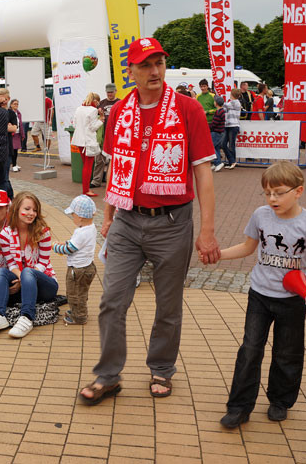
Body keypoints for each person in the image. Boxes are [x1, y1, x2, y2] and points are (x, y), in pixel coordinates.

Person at [78, 38, 219, 404]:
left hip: (173, 222)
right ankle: (108, 375)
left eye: (159, 63)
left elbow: (203, 173)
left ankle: (161, 367)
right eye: (146, 65)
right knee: (112, 300)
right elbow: (116, 169)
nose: (155, 71)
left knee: (168, 305)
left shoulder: (188, 110)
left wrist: (207, 231)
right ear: (131, 72)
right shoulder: (119, 112)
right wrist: (109, 215)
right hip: (126, 220)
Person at [213, 162, 306, 428]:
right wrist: (218, 254)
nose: (272, 199)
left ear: (298, 191)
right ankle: (239, 407)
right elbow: (247, 247)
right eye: (267, 193)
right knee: (250, 349)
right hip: (260, 296)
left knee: (287, 353)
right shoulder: (260, 215)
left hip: (292, 301)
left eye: (278, 192)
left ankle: (280, 400)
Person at [0, 191, 58, 339]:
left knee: (28, 272)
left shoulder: (43, 232)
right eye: (27, 209)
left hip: (46, 284)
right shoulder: (6, 234)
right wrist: (22, 279)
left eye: (34, 210)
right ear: (17, 209)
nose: (31, 213)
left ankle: (27, 317)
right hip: (24, 280)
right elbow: (12, 264)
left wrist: (24, 279)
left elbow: (43, 262)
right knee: (2, 272)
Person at [52, 195, 97, 325]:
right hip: (88, 266)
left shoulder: (81, 232)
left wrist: (56, 247)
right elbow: (76, 244)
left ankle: (79, 316)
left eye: (73, 215)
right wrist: (65, 242)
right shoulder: (91, 228)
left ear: (80, 216)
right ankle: (78, 310)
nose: (72, 217)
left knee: (74, 293)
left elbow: (70, 249)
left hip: (78, 269)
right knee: (81, 291)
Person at [71, 92, 104, 196]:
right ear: (95, 101)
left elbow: (74, 124)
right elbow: (93, 127)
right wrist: (101, 119)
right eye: (98, 102)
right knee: (88, 166)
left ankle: (86, 189)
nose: (98, 104)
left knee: (85, 165)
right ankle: (86, 190)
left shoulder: (79, 108)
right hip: (88, 141)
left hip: (78, 140)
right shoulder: (93, 110)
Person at [91, 83, 120, 188]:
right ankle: (96, 181)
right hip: (102, 135)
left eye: (111, 92)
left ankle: (111, 181)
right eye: (108, 92)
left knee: (114, 160)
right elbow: (94, 118)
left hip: (116, 135)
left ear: (116, 91)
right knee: (99, 159)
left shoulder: (120, 103)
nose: (110, 94)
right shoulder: (101, 103)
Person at [222, 88, 242, 170]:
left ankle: (232, 161)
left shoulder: (236, 102)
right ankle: (232, 161)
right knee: (223, 144)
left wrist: (218, 100)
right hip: (228, 125)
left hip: (233, 125)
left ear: (232, 94)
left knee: (231, 145)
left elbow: (224, 106)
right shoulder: (231, 102)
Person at [210, 95, 227, 172]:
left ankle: (218, 163)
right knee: (216, 147)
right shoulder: (222, 111)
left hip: (216, 132)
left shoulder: (218, 112)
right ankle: (216, 162)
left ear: (216, 103)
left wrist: (209, 127)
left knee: (212, 147)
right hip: (219, 132)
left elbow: (215, 123)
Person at [9, 99, 24, 172]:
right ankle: (13, 165)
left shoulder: (18, 113)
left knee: (16, 150)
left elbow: (20, 124)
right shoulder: (9, 112)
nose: (16, 105)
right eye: (14, 104)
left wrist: (22, 134)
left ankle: (15, 163)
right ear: (11, 105)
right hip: (12, 134)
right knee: (13, 150)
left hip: (18, 133)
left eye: (17, 104)